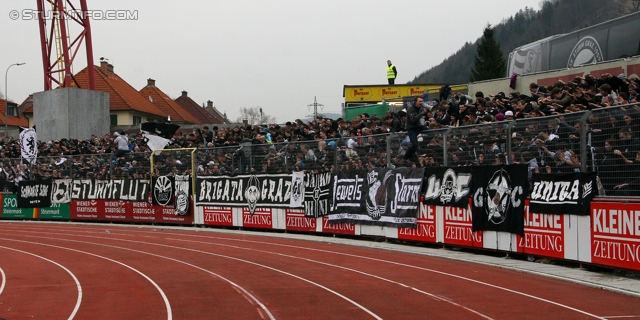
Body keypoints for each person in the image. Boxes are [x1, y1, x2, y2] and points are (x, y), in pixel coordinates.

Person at [403, 96, 430, 161]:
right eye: (419, 101)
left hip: (418, 126)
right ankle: (405, 157)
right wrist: (422, 113)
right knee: (414, 145)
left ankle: (423, 144)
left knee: (431, 132)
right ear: (415, 102)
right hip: (412, 128)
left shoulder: (420, 108)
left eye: (422, 101)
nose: (421, 103)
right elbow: (413, 119)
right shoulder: (410, 108)